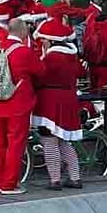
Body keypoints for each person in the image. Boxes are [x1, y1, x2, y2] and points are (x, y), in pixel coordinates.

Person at [0, 19, 44, 195]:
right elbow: (41, 71)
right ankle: (9, 183)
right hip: (18, 101)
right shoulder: (24, 52)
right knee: (15, 143)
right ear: (23, 32)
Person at [31, 19, 83, 190]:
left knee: (49, 141)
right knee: (63, 141)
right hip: (68, 98)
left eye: (44, 39)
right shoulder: (71, 56)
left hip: (50, 101)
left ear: (51, 40)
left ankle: (55, 179)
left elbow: (40, 78)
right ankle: (75, 177)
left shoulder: (52, 58)